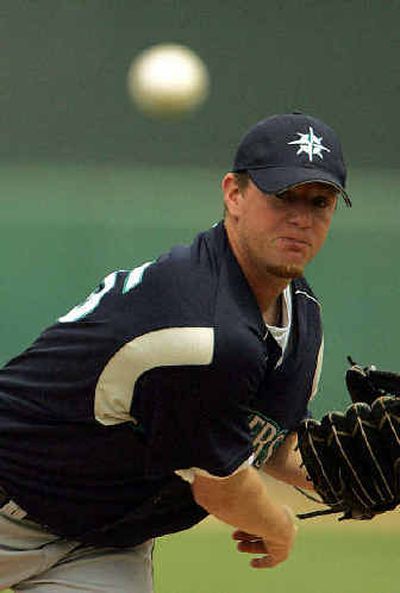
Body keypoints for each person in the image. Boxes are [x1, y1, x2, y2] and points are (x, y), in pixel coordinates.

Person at [0, 112, 350, 592]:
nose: (301, 217)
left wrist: (351, 477)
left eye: (320, 202)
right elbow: (221, 487)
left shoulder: (300, 317)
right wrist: (279, 525)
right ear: (234, 194)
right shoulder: (202, 329)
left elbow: (262, 437)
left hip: (102, 541)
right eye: (282, 195)